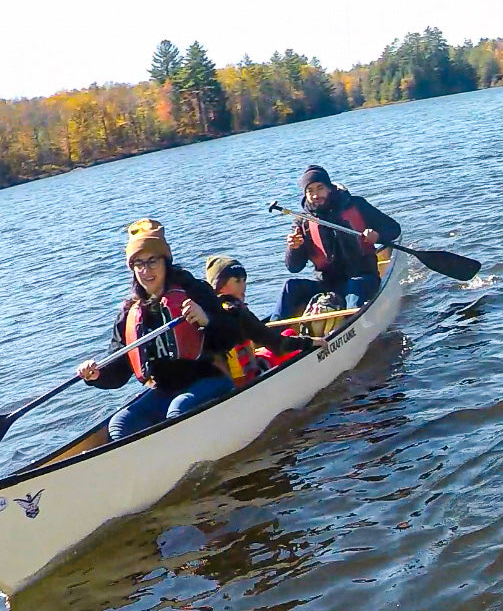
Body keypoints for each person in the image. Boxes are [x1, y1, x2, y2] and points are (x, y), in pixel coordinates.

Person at [78, 219, 238, 441]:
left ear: (165, 262)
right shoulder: (129, 313)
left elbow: (232, 335)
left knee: (179, 410)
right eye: (138, 263)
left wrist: (206, 320)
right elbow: (118, 372)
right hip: (165, 390)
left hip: (211, 380)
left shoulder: (195, 291)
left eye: (152, 261)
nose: (146, 270)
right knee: (120, 424)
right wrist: (96, 375)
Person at [275, 165, 400, 320]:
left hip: (363, 277)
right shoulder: (302, 222)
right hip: (327, 284)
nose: (315, 195)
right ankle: (273, 331)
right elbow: (293, 267)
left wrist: (377, 235)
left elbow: (394, 229)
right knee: (290, 286)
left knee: (354, 285)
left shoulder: (356, 205)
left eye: (320, 188)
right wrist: (294, 248)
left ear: (329, 188)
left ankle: (349, 324)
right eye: (310, 191)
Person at [204, 255, 321, 386]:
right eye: (237, 281)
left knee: (284, 336)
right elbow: (278, 345)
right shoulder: (235, 311)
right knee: (290, 334)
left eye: (244, 280)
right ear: (220, 286)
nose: (244, 286)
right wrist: (310, 342)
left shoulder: (208, 311)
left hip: (231, 378)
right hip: (249, 377)